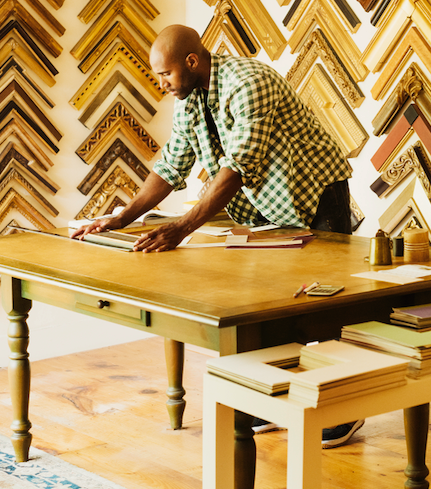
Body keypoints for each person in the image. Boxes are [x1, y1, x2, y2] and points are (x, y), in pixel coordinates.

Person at [71, 24, 363, 448]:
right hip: (270, 204)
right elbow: (171, 166)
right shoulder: (190, 99)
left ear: (192, 61)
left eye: (165, 75)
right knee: (273, 301)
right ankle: (276, 400)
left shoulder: (249, 82)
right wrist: (122, 217)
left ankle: (343, 413)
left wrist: (183, 227)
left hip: (314, 189)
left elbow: (238, 167)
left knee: (325, 304)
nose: (163, 85)